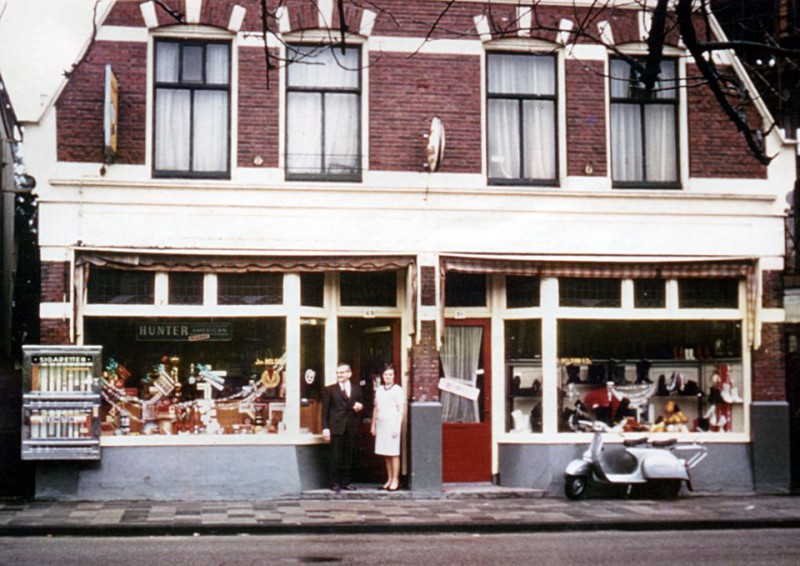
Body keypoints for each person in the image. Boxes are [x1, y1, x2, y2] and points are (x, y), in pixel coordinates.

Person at [322, 363, 363, 493]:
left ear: (349, 374)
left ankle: (346, 482)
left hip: (351, 426)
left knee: (348, 455)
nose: (339, 375)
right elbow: (325, 411)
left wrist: (360, 406)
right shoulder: (330, 390)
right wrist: (325, 428)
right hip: (336, 426)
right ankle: (334, 482)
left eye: (342, 372)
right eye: (338, 373)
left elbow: (361, 404)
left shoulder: (356, 389)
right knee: (335, 455)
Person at [370, 363, 404, 491]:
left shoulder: (397, 390)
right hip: (381, 424)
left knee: (394, 453)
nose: (388, 377)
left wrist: (397, 426)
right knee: (386, 453)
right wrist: (373, 425)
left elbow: (401, 410)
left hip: (392, 425)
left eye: (390, 374)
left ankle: (396, 479)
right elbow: (376, 408)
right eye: (385, 374)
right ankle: (389, 478)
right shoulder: (379, 390)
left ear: (394, 376)